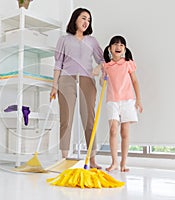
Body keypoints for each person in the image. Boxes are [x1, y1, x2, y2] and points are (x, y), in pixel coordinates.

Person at [50, 8, 104, 169]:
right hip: (66, 80)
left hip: (87, 80)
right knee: (66, 119)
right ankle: (64, 159)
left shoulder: (92, 41)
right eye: (83, 18)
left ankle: (92, 159)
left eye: (89, 19)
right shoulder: (64, 40)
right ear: (75, 19)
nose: (86, 22)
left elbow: (102, 59)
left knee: (89, 120)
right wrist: (54, 85)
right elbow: (58, 63)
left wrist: (98, 68)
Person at [97, 35, 143, 172]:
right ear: (110, 48)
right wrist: (102, 77)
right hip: (112, 101)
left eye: (122, 45)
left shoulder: (128, 63)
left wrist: (138, 100)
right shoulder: (106, 66)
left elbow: (135, 81)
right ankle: (114, 162)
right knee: (112, 131)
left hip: (128, 101)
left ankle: (123, 163)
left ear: (124, 49)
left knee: (125, 132)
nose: (119, 47)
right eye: (116, 44)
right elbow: (102, 83)